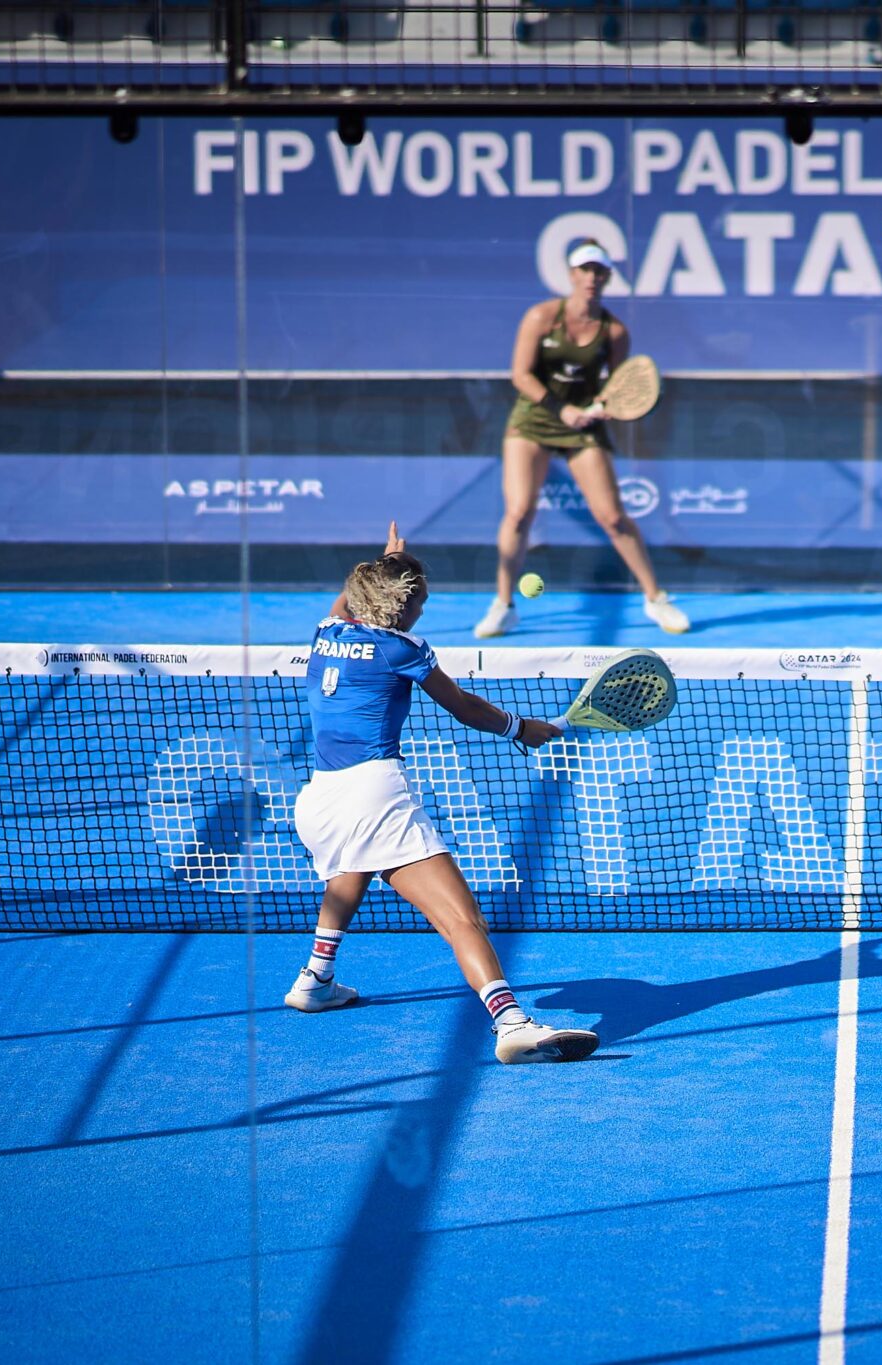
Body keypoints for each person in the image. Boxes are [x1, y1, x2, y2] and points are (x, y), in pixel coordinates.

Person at [290, 521, 597, 1065]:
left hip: (319, 802)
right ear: (402, 605)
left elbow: (348, 599)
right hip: (374, 797)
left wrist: (385, 561)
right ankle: (512, 1024)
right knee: (461, 918)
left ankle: (315, 980)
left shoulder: (326, 631)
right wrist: (522, 728)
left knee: (355, 865)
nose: (423, 611)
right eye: (421, 602)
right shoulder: (402, 647)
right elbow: (464, 707)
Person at [475, 239, 689, 639]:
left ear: (607, 277)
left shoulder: (614, 331)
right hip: (533, 421)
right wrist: (562, 410)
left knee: (613, 517)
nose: (592, 277)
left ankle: (656, 598)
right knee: (519, 512)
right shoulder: (541, 317)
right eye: (585, 270)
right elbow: (521, 374)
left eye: (599, 271)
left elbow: (619, 386)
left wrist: (604, 405)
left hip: (583, 428)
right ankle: (503, 605)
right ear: (572, 275)